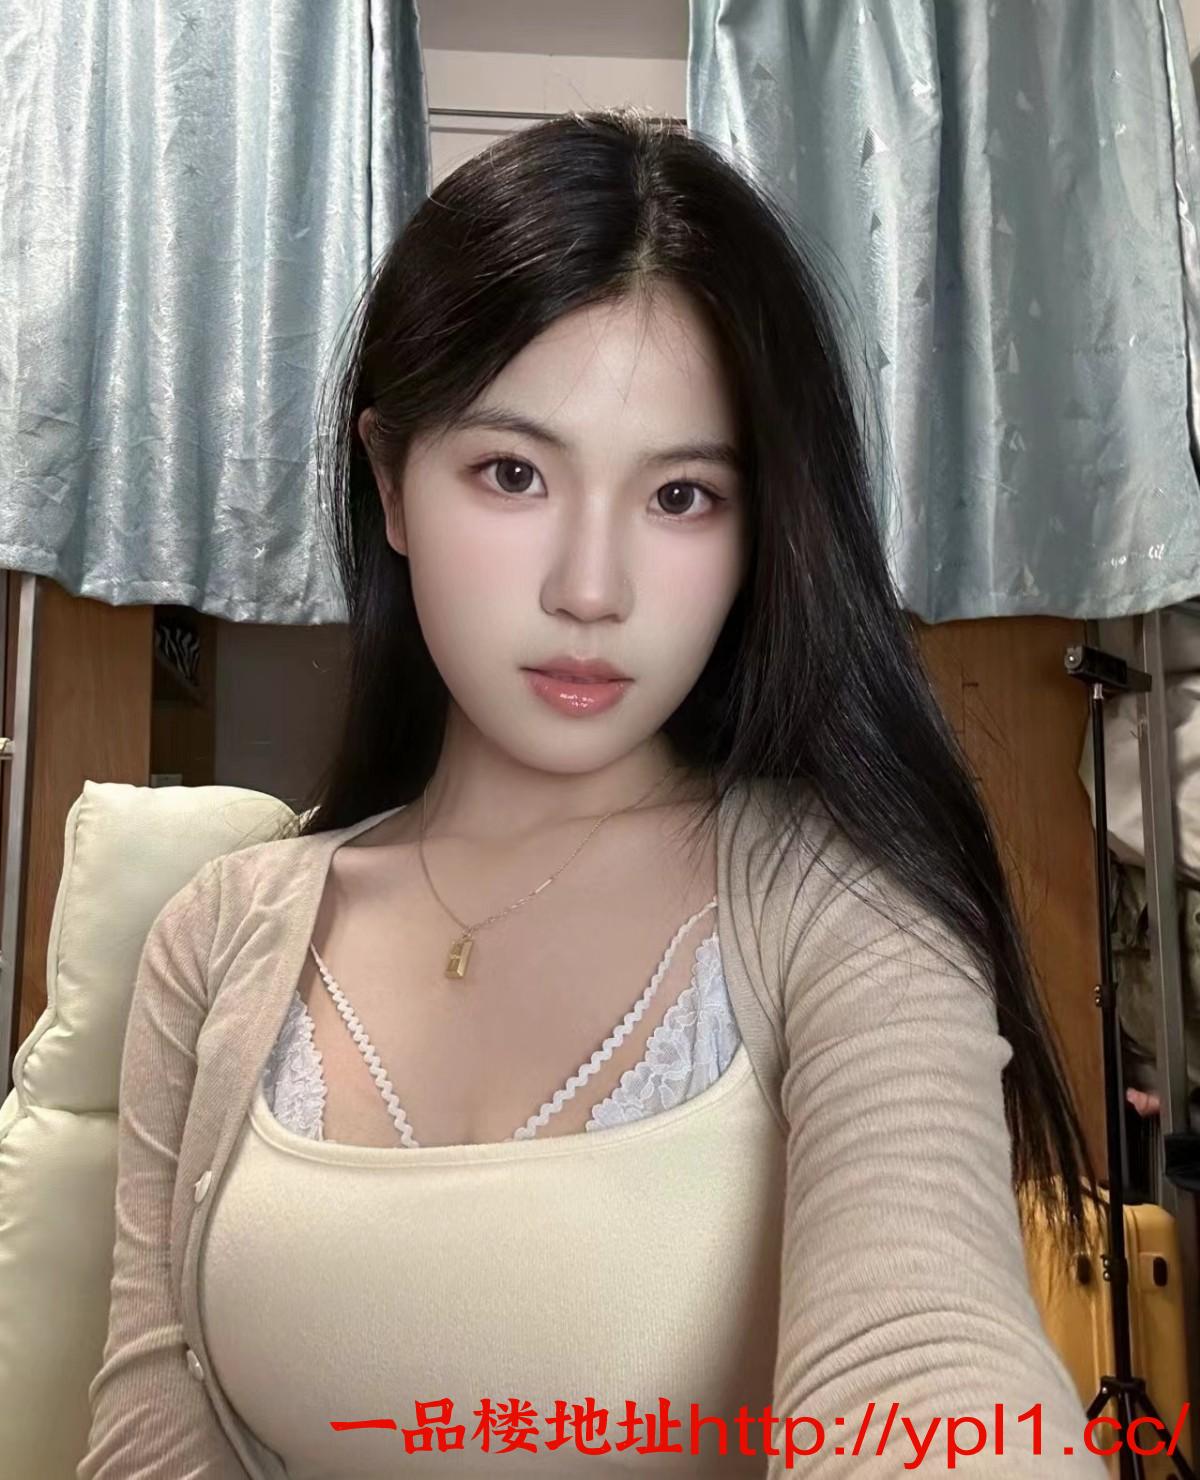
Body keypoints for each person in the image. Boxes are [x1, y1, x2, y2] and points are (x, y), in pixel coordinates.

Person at [80, 108, 1106, 1478]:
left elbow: (925, 1362)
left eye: (681, 497)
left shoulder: (844, 909)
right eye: (512, 473)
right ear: (392, 483)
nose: (591, 589)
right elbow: (153, 1435)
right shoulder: (216, 942)